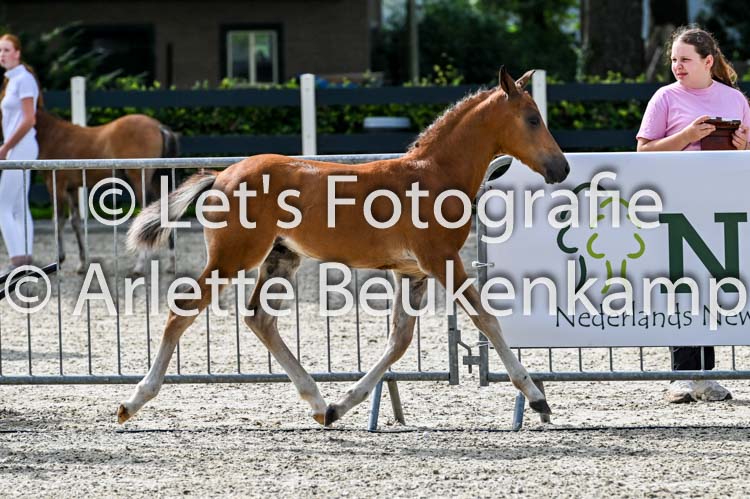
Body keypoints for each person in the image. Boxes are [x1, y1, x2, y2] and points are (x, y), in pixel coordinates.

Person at [636, 25, 750, 404]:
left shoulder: (735, 99)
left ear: (708, 61)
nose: (677, 66)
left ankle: (706, 375)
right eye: (674, 60)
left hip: (721, 205)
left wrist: (743, 146)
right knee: (681, 286)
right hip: (676, 205)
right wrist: (686, 137)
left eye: (685, 59)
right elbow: (643, 152)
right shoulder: (664, 97)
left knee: (714, 285)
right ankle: (682, 375)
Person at [0, 33, 39, 272]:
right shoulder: (13, 80)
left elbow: (29, 119)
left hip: (21, 147)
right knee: (19, 206)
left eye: (6, 50)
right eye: (0, 50)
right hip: (18, 146)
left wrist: (6, 147)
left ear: (17, 53)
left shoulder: (24, 79)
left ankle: (17, 260)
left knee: (2, 205)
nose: (2, 55)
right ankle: (24, 259)